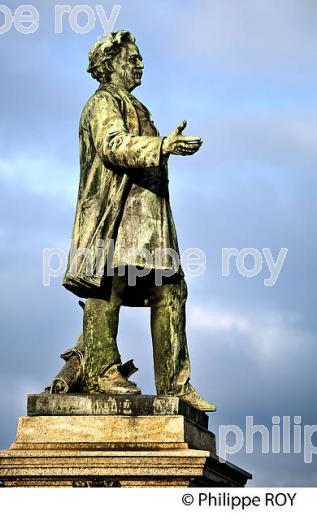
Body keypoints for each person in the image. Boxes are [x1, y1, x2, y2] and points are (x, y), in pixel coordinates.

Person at [62, 30, 216, 411]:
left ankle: (176, 386)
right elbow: (114, 146)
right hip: (113, 218)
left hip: (149, 221)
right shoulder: (101, 103)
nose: (140, 64)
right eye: (133, 58)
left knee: (171, 289)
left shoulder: (137, 105)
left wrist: (164, 145)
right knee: (107, 285)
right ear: (109, 64)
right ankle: (101, 370)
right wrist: (163, 145)